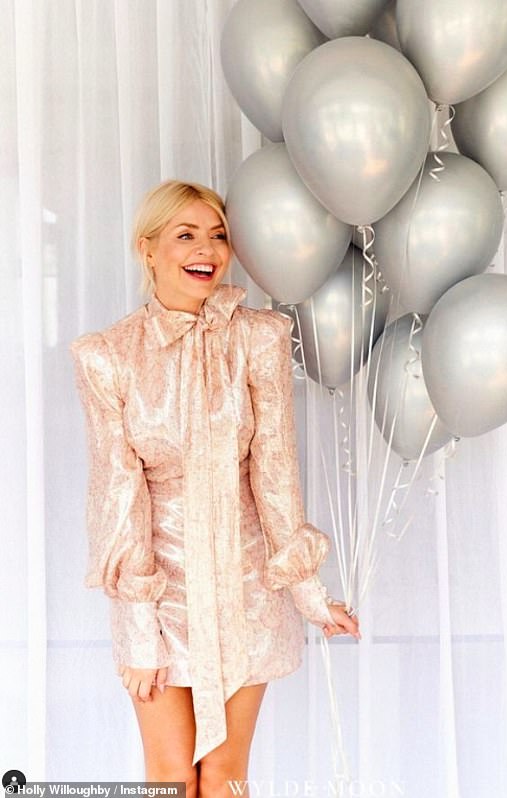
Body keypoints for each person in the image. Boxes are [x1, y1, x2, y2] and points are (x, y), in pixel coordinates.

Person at [69, 179, 361, 796]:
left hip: (246, 587)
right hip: (161, 593)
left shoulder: (259, 337)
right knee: (172, 777)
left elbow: (276, 474)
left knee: (223, 777)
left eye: (218, 235)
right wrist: (138, 631)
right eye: (186, 234)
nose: (207, 249)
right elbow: (119, 498)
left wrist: (311, 596)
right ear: (147, 249)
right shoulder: (107, 356)